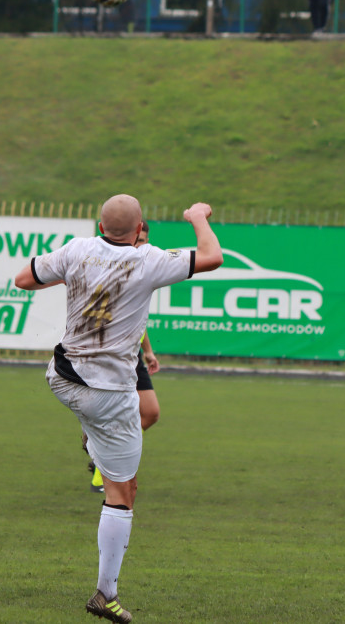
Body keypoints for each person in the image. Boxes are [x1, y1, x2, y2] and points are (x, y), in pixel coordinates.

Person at [15, 195, 222, 623]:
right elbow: (212, 257)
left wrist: (74, 277)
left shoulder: (77, 249)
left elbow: (24, 279)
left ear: (98, 225)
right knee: (122, 494)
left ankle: (93, 445)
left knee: (104, 436)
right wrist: (197, 217)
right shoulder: (148, 260)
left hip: (62, 377)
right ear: (140, 226)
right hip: (109, 393)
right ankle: (104, 594)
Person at [88, 221, 163, 493]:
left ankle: (102, 455)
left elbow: (137, 320)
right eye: (137, 240)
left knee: (151, 413)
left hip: (132, 357)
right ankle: (103, 466)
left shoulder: (144, 269)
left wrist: (148, 351)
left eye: (143, 241)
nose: (139, 245)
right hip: (105, 357)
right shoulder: (107, 268)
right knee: (105, 418)